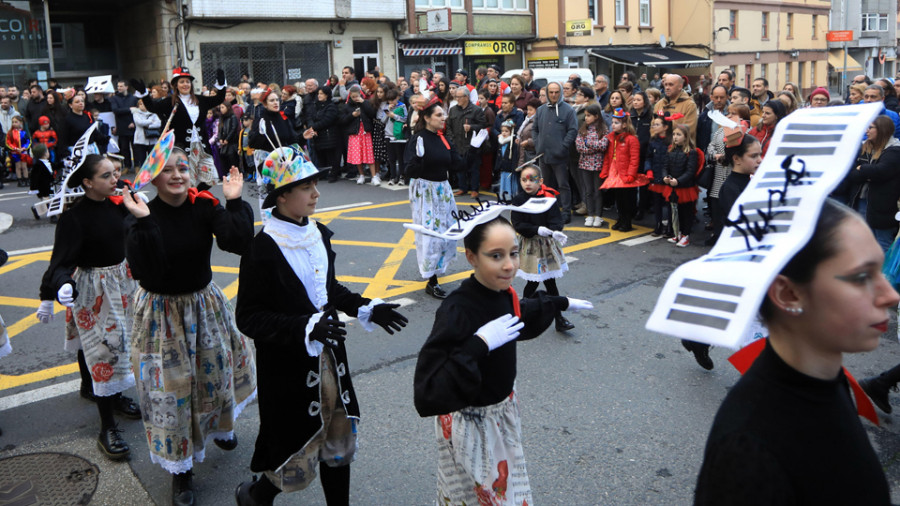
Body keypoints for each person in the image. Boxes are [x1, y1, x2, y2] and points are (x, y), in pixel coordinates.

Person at [233, 150, 408, 505]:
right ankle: (257, 496)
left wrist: (366, 308)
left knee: (337, 437)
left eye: (315, 184)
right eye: (306, 186)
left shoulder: (317, 233)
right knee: (295, 440)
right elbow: (248, 317)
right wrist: (304, 327)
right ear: (281, 195)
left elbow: (328, 290)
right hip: (287, 366)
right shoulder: (262, 249)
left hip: (330, 357)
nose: (316, 193)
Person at [694, 198, 896, 505]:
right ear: (788, 294)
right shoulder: (748, 451)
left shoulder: (824, 379)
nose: (890, 295)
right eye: (861, 277)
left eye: (880, 271)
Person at [413, 215, 592, 506]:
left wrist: (561, 302)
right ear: (471, 256)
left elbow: (519, 312)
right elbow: (428, 390)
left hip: (502, 415)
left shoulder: (501, 291)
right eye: (495, 256)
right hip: (474, 423)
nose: (509, 265)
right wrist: (478, 344)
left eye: (513, 253)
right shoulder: (457, 308)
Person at [121, 149, 256, 505]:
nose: (178, 175)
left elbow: (238, 243)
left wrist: (233, 200)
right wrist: (145, 222)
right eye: (167, 170)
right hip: (161, 314)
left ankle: (221, 427)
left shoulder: (204, 205)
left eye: (183, 167)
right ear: (152, 176)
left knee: (214, 377)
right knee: (172, 391)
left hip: (203, 305)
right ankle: (181, 473)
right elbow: (146, 269)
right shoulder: (139, 212)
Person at [36, 154, 141, 462]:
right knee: (102, 354)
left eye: (116, 173)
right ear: (87, 182)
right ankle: (106, 427)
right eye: (107, 175)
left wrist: (140, 212)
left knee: (120, 344)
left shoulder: (120, 204)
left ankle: (110, 392)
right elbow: (61, 262)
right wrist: (58, 286)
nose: (116, 180)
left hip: (121, 283)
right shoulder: (74, 217)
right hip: (93, 290)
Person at [405, 96, 461, 299]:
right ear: (427, 118)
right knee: (430, 234)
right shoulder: (418, 139)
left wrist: (474, 148)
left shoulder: (443, 138)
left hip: (443, 190)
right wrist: (418, 159)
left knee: (446, 231)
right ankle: (431, 280)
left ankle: (438, 268)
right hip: (425, 190)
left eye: (443, 114)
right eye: (439, 115)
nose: (443, 117)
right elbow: (409, 171)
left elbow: (457, 165)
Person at [512, 164, 575, 330]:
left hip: (546, 245)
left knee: (550, 282)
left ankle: (558, 319)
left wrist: (555, 232)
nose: (527, 183)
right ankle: (522, 316)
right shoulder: (519, 200)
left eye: (532, 179)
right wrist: (537, 229)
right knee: (531, 284)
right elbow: (518, 223)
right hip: (531, 246)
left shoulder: (548, 198)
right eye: (524, 179)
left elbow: (556, 219)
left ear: (540, 181)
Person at [845, 115, 900, 251]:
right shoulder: (866, 148)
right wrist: (868, 174)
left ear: (881, 130)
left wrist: (863, 168)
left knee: (883, 242)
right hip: (863, 201)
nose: (866, 131)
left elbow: (881, 171)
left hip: (885, 205)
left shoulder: (894, 150)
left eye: (870, 128)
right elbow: (852, 174)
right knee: (866, 241)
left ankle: (884, 272)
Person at [533, 82, 578, 223]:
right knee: (545, 184)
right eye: (551, 92)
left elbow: (572, 130)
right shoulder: (540, 110)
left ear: (560, 93)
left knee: (563, 184)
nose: (553, 95)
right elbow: (535, 129)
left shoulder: (568, 110)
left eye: (556, 92)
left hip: (560, 156)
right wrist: (538, 143)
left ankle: (566, 211)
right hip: (543, 154)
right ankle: (547, 210)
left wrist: (563, 146)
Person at [600, 108, 647, 232]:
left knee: (627, 199)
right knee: (618, 199)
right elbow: (608, 157)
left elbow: (634, 158)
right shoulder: (611, 138)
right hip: (615, 173)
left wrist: (631, 174)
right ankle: (620, 218)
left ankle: (627, 221)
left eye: (616, 123)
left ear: (624, 124)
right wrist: (605, 171)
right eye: (613, 122)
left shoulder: (632, 139)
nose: (613, 125)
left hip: (625, 174)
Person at [662, 123, 699, 248]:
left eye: (678, 134)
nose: (675, 137)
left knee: (685, 213)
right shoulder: (670, 149)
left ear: (686, 136)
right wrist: (665, 176)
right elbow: (665, 166)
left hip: (685, 187)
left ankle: (685, 235)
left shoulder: (692, 152)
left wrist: (679, 180)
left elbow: (690, 171)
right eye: (674, 134)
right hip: (672, 186)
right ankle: (676, 232)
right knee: (673, 211)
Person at [447, 87, 487, 199]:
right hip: (457, 143)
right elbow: (449, 126)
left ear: (467, 97)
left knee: (474, 168)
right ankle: (462, 187)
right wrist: (451, 139)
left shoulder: (476, 110)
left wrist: (471, 127)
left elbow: (483, 126)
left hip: (472, 144)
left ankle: (474, 189)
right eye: (456, 97)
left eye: (459, 97)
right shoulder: (453, 109)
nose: (457, 99)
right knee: (460, 167)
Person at [575, 103, 608, 227]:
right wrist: (592, 147)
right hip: (584, 165)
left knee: (597, 191)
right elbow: (579, 146)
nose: (586, 118)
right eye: (585, 115)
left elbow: (603, 145)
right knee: (588, 191)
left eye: (589, 115)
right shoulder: (583, 129)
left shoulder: (603, 129)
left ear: (596, 116)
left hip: (598, 165)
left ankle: (598, 216)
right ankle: (590, 214)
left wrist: (588, 145)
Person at [340, 85, 379, 185]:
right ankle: (361, 175)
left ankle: (374, 176)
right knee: (358, 156)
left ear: (360, 94)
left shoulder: (366, 103)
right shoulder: (347, 106)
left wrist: (364, 103)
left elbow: (372, 114)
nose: (355, 98)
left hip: (366, 131)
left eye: (357, 96)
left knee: (369, 155)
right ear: (350, 96)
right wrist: (352, 115)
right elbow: (342, 120)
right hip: (354, 133)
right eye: (353, 97)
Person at [303, 87, 341, 183]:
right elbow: (310, 117)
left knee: (331, 156)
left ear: (327, 95)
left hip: (329, 135)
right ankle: (323, 173)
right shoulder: (317, 106)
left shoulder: (331, 106)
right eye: (318, 93)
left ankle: (333, 174)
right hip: (318, 135)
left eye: (321, 94)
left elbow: (327, 120)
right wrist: (312, 127)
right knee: (321, 155)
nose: (319, 95)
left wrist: (313, 128)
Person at [646, 114, 673, 237]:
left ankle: (670, 227)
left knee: (669, 203)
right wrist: (648, 170)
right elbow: (649, 157)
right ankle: (658, 225)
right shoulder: (653, 141)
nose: (654, 127)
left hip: (668, 176)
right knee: (657, 202)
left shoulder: (671, 141)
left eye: (657, 124)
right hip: (656, 175)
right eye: (653, 124)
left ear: (665, 127)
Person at [654, 74, 698, 144]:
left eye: (671, 85)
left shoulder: (690, 105)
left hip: (680, 150)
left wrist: (668, 124)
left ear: (680, 86)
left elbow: (689, 130)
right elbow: (652, 129)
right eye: (665, 85)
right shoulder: (659, 104)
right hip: (659, 148)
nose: (667, 88)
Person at [110, 80, 138, 170]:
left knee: (135, 148)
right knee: (124, 148)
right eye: (118, 86)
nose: (119, 88)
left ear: (126, 87)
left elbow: (138, 112)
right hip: (122, 127)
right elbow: (115, 110)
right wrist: (129, 109)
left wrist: (134, 122)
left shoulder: (133, 98)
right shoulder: (114, 98)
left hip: (132, 126)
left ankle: (137, 165)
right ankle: (127, 166)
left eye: (121, 86)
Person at [383, 88, 408, 186]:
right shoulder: (386, 107)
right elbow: (382, 120)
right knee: (391, 158)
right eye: (389, 100)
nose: (391, 102)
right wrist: (388, 111)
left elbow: (405, 119)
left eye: (393, 99)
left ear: (397, 98)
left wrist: (394, 116)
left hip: (398, 135)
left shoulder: (402, 106)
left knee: (400, 157)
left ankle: (402, 176)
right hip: (388, 134)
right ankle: (393, 177)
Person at [131, 98, 161, 167]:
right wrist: (151, 122)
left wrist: (149, 126)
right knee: (142, 160)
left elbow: (158, 123)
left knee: (152, 159)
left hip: (152, 139)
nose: (142, 105)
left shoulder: (153, 113)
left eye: (143, 104)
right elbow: (139, 122)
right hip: (140, 140)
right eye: (140, 104)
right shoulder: (136, 113)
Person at [494, 119, 519, 199]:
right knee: (503, 181)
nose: (504, 133)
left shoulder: (513, 142)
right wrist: (497, 166)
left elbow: (515, 156)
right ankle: (504, 196)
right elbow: (498, 155)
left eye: (506, 131)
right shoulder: (501, 141)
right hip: (503, 167)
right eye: (502, 131)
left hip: (510, 168)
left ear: (511, 132)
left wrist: (514, 168)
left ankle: (510, 197)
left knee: (509, 182)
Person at [6, 115, 30, 186]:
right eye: (13, 122)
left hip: (23, 151)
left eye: (16, 122)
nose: (14, 124)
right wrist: (15, 148)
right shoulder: (10, 133)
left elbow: (28, 141)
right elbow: (8, 143)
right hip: (15, 152)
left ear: (21, 123)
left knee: (24, 166)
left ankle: (26, 179)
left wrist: (24, 148)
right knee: (18, 166)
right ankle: (19, 180)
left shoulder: (24, 132)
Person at [217, 102, 240, 174]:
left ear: (228, 107)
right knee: (224, 158)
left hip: (232, 142)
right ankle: (228, 173)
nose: (221, 109)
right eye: (220, 108)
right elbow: (220, 129)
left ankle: (234, 173)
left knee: (232, 158)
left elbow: (234, 128)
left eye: (223, 107)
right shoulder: (221, 118)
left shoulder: (233, 116)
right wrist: (220, 138)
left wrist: (227, 139)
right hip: (224, 142)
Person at [517, 98, 540, 167]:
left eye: (531, 110)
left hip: (532, 154)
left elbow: (541, 138)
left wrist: (528, 142)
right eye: (527, 109)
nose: (528, 112)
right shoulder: (527, 121)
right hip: (523, 154)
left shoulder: (538, 122)